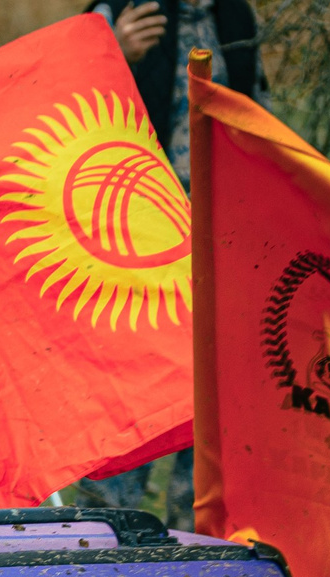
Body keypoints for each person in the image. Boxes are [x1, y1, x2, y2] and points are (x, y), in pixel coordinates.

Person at [74, 1, 262, 525]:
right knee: (124, 407)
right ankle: (103, 545)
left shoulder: (235, 16)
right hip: (132, 249)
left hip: (219, 241)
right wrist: (114, 54)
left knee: (212, 407)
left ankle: (200, 544)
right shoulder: (123, 10)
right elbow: (71, 110)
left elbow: (257, 112)